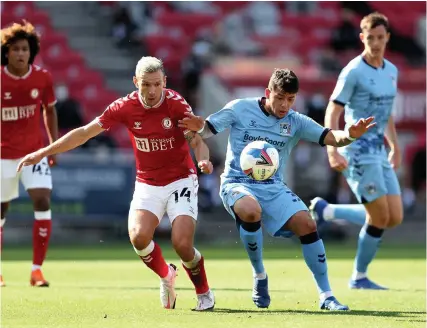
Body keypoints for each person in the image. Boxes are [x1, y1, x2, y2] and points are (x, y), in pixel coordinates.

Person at [17, 56, 215, 311]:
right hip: (147, 182)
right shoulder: (124, 107)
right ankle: (167, 275)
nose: (152, 91)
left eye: (157, 84)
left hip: (181, 180)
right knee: (139, 237)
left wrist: (203, 162)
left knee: (182, 244)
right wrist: (43, 152)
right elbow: (85, 132)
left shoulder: (176, 105)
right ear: (136, 82)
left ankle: (204, 293)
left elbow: (197, 140)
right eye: (146, 85)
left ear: (164, 82)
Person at [178, 68, 376, 311]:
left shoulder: (295, 121)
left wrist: (350, 135)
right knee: (250, 211)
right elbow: (207, 129)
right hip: (237, 183)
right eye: (280, 97)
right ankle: (259, 274)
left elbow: (331, 137)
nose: (285, 105)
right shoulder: (240, 108)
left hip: (273, 187)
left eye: (290, 99)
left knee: (308, 224)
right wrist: (199, 127)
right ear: (268, 92)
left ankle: (327, 296)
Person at [309, 12, 403, 290]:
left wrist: (395, 145)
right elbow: (333, 110)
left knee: (393, 217)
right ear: (362, 38)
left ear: (387, 38)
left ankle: (328, 211)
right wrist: (332, 148)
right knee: (379, 217)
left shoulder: (392, 71)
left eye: (380, 37)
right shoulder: (353, 71)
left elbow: (386, 114)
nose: (375, 43)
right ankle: (359, 277)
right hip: (357, 150)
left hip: (378, 149)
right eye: (370, 38)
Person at [1, 21, 59, 287]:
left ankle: (37, 271)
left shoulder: (43, 78)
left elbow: (49, 110)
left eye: (25, 49)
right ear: (7, 52)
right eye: (15, 49)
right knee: (1, 212)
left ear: (31, 51)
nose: (21, 53)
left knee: (42, 201)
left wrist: (53, 145)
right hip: (2, 156)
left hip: (34, 154)